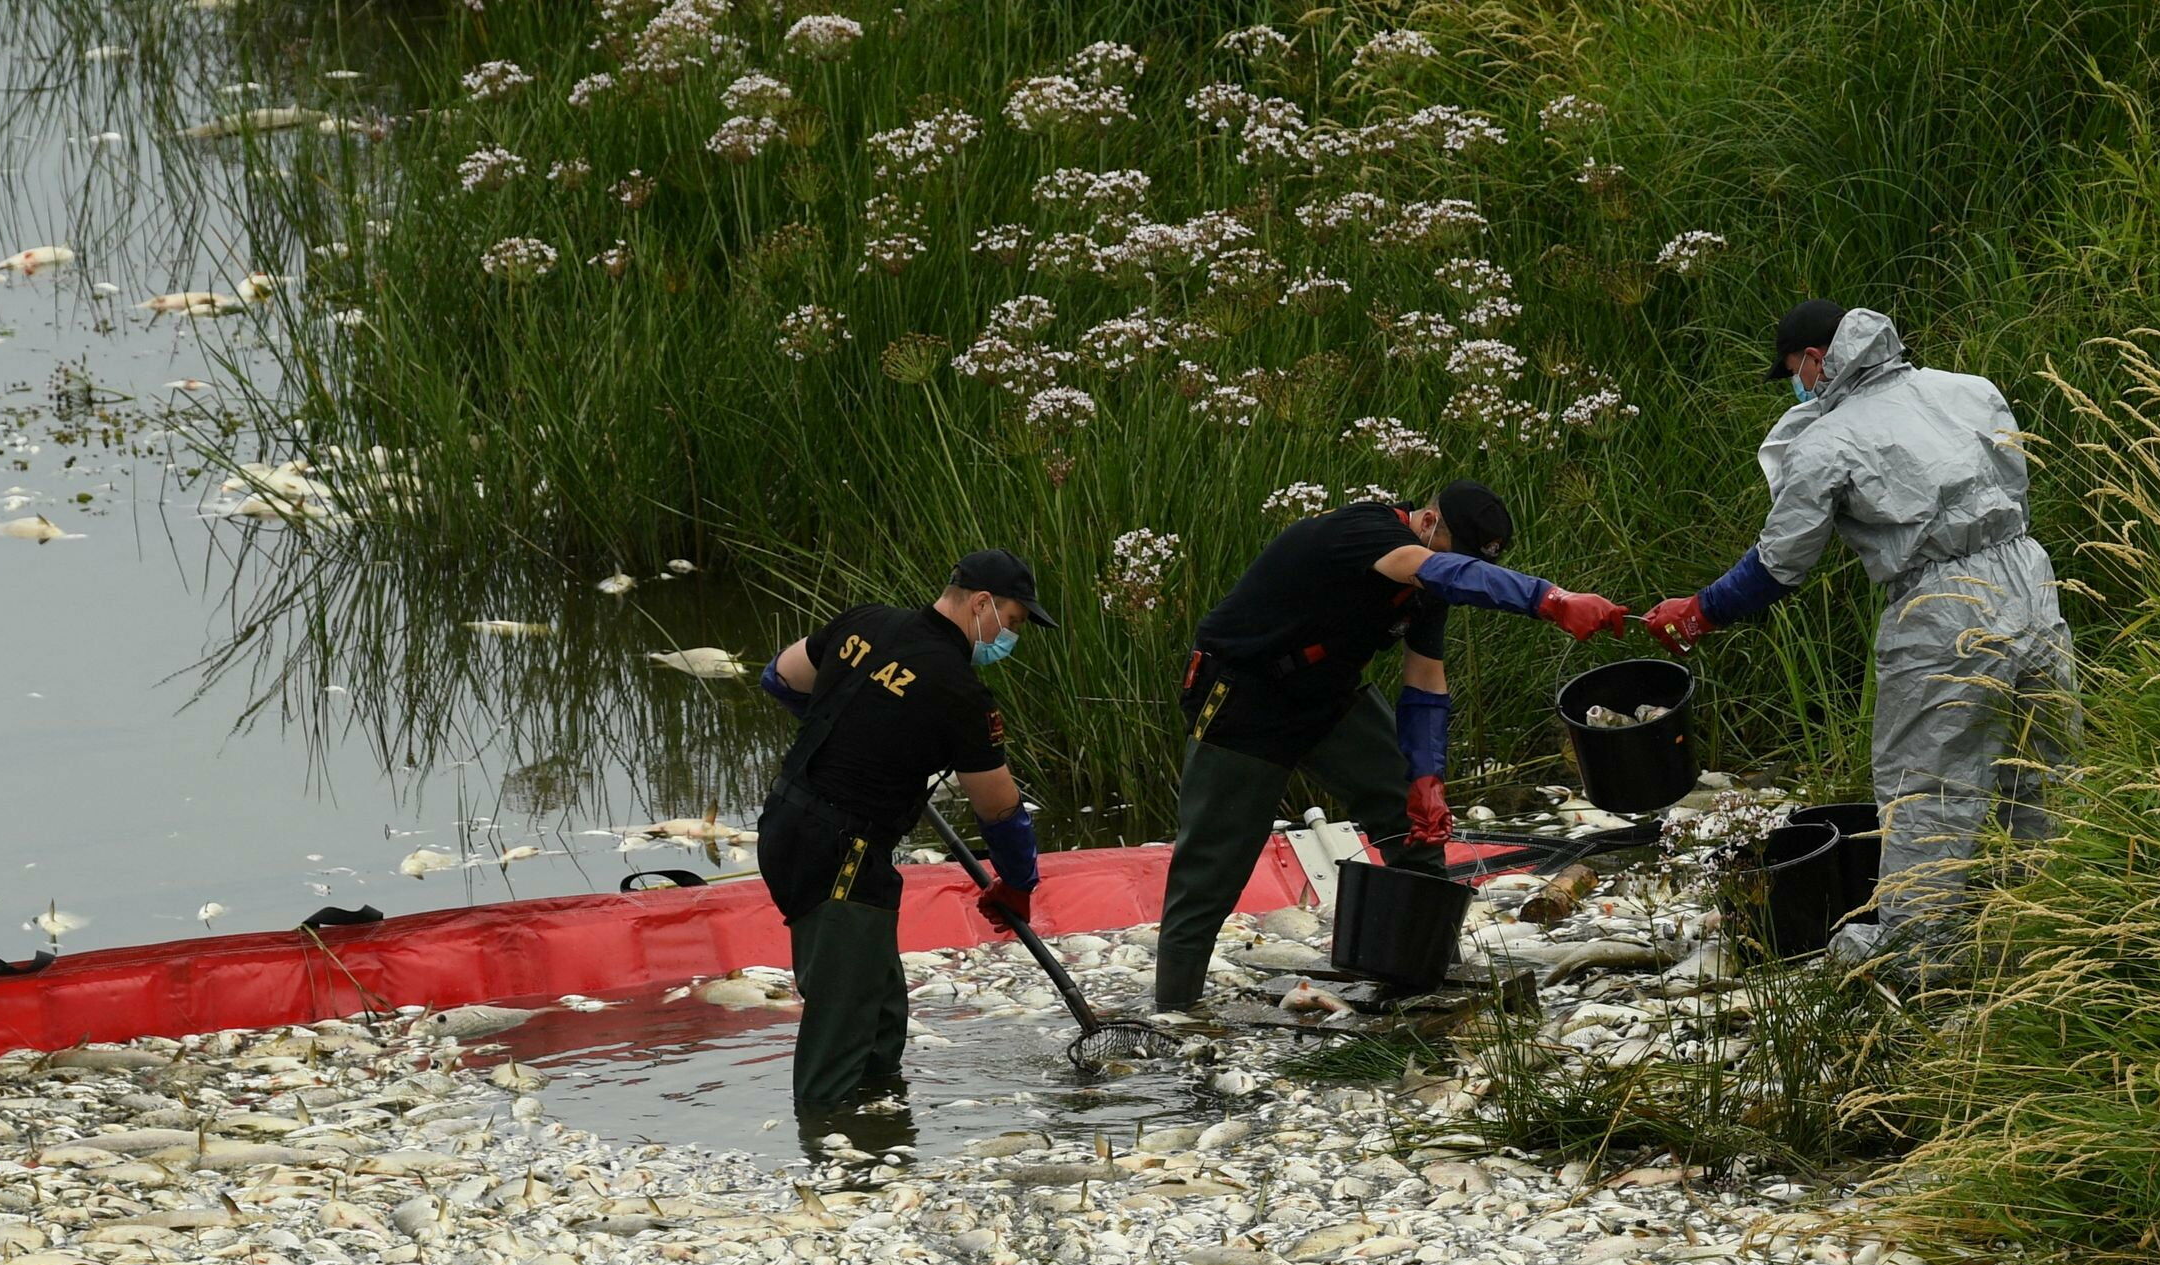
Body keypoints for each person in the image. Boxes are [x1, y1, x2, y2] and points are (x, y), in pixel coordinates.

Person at [1643, 303, 2075, 962]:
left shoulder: (1828, 438)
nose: (1799, 387)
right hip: (2032, 578)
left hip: (1942, 606)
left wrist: (1701, 611)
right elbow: (2012, 484)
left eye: (1794, 373)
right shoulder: (1969, 390)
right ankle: (2058, 927)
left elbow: (1780, 562)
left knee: (1926, 787)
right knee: (2043, 769)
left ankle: (1914, 954)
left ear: (1816, 360)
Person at [1155, 482, 1631, 1011]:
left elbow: (1426, 683)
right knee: (1211, 870)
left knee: (1416, 825)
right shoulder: (1362, 531)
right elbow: (1435, 569)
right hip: (1248, 698)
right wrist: (1551, 600)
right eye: (1458, 557)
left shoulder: (1434, 579)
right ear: (1429, 521)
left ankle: (1426, 975)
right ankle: (1176, 1012)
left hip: (1331, 696)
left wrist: (1427, 778)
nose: (1460, 572)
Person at [753, 550, 1049, 1136]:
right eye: (1013, 623)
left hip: (786, 822)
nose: (1010, 636)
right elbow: (1000, 808)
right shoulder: (961, 694)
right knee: (841, 1025)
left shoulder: (865, 622)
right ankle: (830, 1158)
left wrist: (859, 727)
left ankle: (884, 1141)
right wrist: (1017, 885)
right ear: (983, 603)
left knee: (882, 1008)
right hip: (843, 852)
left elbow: (779, 678)